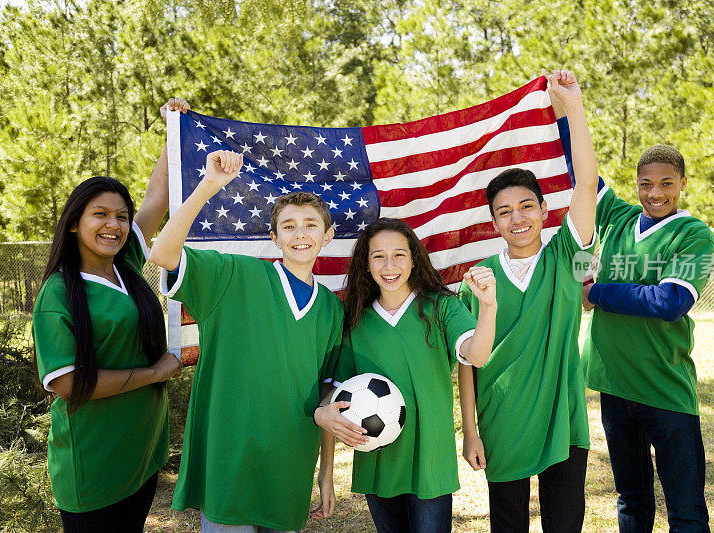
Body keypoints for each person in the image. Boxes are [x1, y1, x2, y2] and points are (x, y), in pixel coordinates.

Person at [149, 147, 353, 532]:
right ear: (274, 238)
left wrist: (326, 472)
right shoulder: (234, 275)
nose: (300, 234)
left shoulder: (331, 308)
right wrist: (208, 187)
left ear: (327, 236)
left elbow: (330, 394)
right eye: (289, 226)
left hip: (289, 464)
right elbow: (162, 252)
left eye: (310, 225)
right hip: (231, 462)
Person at [31, 98, 187, 533]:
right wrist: (155, 373)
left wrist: (173, 128)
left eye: (121, 216)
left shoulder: (127, 263)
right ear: (75, 221)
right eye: (100, 214)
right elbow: (66, 383)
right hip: (94, 464)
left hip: (140, 451)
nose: (113, 225)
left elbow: (158, 195)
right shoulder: (59, 291)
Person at [457, 69, 598, 533]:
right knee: (509, 524)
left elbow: (585, 183)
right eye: (504, 212)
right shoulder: (478, 279)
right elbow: (467, 363)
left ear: (542, 210)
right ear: (494, 221)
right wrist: (472, 431)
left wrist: (572, 106)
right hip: (504, 420)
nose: (517, 218)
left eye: (526, 207)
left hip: (563, 414)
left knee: (564, 522)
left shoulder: (564, 254)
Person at [317, 217, 497, 533]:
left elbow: (477, 355)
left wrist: (488, 307)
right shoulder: (356, 318)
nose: (390, 265)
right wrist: (326, 474)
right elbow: (334, 399)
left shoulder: (442, 307)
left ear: (414, 259)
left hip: (430, 459)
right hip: (377, 460)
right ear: (366, 264)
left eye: (399, 253)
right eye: (378, 256)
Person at [580, 142, 714, 532]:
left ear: (683, 183)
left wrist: (598, 293)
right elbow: (583, 172)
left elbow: (669, 300)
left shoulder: (695, 235)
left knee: (686, 511)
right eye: (646, 184)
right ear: (636, 185)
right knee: (632, 501)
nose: (655, 193)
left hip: (665, 390)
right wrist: (563, 107)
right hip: (615, 387)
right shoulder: (618, 218)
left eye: (666, 183)